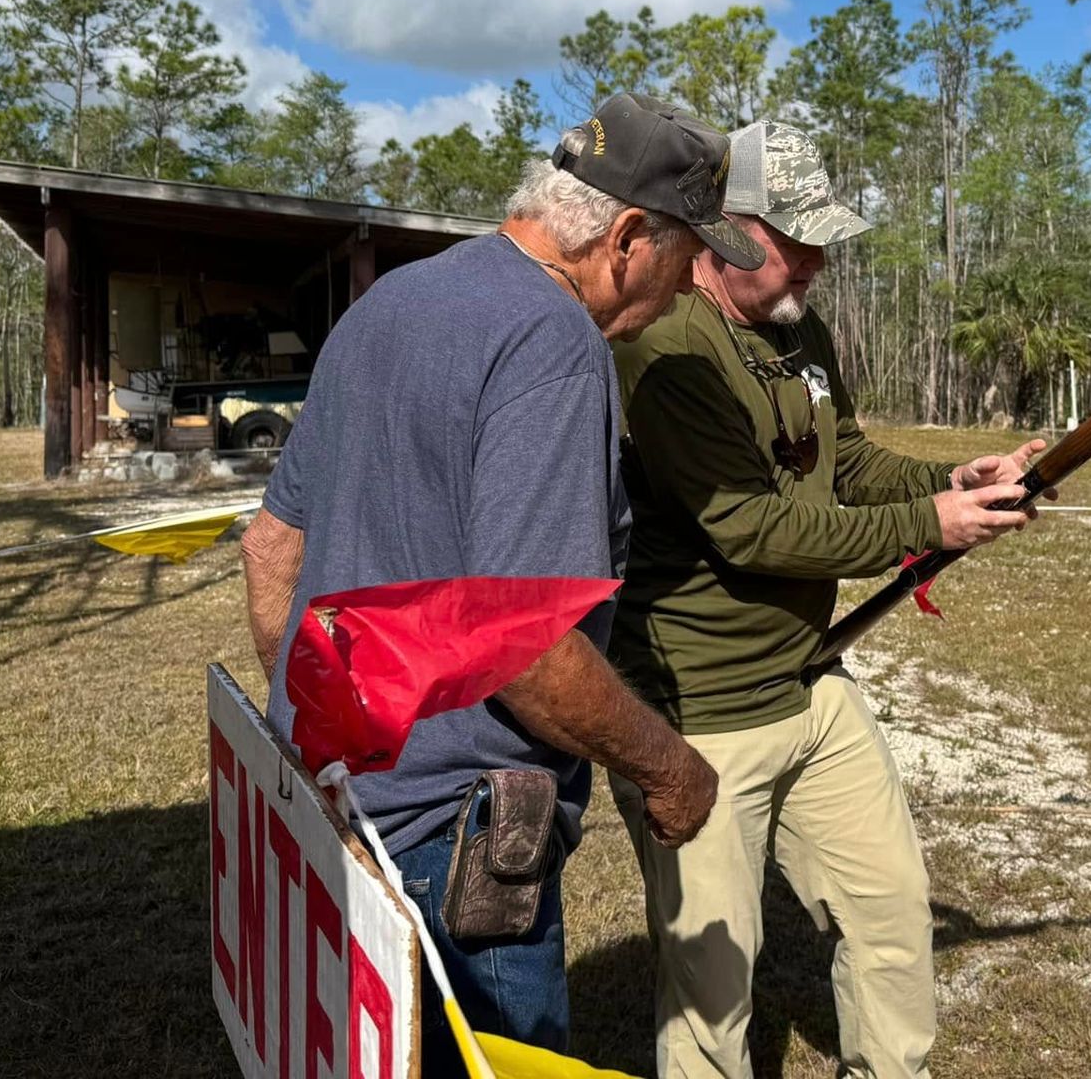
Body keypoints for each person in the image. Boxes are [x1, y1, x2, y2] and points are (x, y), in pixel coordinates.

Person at [241, 93, 766, 1076]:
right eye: (690, 257)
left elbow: (271, 546)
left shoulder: (389, 302)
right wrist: (670, 768)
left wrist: (315, 736)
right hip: (455, 845)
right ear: (627, 238)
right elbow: (528, 654)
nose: (693, 286)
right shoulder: (553, 343)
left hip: (341, 811)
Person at [610, 121, 1048, 1079]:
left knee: (892, 913)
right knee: (711, 986)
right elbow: (753, 530)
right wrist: (930, 526)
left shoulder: (795, 326)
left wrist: (951, 478)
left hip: (810, 679)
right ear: (727, 232)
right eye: (796, 237)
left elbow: (844, 462)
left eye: (821, 238)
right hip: (701, 706)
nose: (817, 260)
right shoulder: (665, 347)